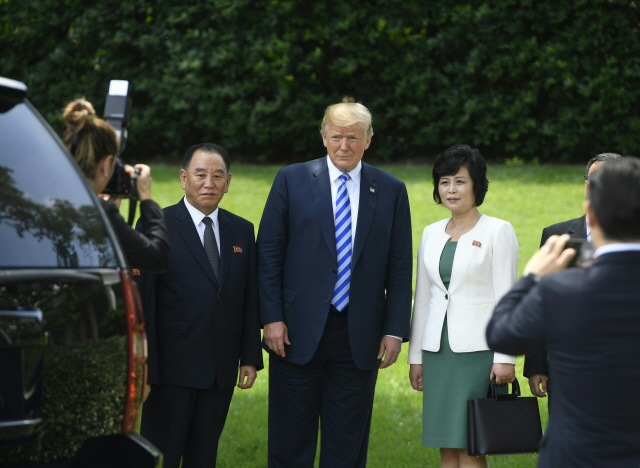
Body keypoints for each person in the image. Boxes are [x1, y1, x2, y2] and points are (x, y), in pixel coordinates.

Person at [257, 102, 412, 468]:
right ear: (324, 136)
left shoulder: (390, 190)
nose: (344, 145)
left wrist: (394, 330)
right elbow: (268, 254)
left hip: (360, 336)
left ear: (368, 140)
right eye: (337, 136)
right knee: (289, 442)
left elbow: (399, 265)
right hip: (294, 331)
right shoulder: (291, 180)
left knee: (346, 447)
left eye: (353, 137)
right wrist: (271, 318)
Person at [486, 157, 640, 467]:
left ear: (591, 215)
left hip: (575, 455)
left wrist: (531, 277)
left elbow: (500, 332)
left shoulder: (560, 290)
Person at [135, 143, 263, 468]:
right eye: (200, 174)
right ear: (183, 178)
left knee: (204, 457)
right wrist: (145, 367)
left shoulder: (242, 230)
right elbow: (143, 302)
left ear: (228, 181)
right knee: (163, 456)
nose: (209, 183)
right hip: (169, 370)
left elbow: (248, 298)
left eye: (217, 175)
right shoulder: (157, 225)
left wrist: (249, 357)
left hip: (219, 370)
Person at [408, 144, 518, 468]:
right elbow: (425, 299)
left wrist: (506, 357)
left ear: (476, 185)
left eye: (460, 181)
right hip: (437, 353)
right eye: (444, 182)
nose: (451, 189)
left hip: (478, 353)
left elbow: (507, 299)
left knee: (471, 444)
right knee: (446, 444)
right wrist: (416, 358)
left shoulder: (498, 230)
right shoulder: (430, 234)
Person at [524, 152, 621, 399]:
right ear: (585, 185)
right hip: (566, 367)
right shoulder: (557, 237)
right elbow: (540, 305)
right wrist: (536, 366)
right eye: (593, 180)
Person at [62, 98, 170, 273]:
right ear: (106, 165)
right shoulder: (98, 212)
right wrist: (146, 198)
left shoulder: (44, 197)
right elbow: (158, 258)